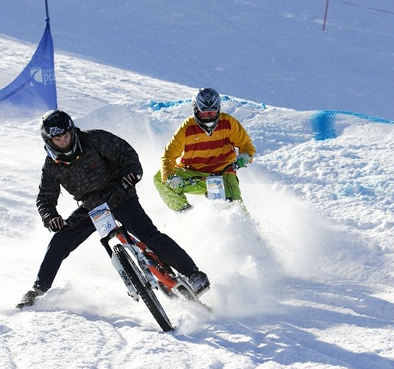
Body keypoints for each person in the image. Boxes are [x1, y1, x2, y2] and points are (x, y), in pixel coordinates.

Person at [17, 109, 210, 308]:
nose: (64, 141)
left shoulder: (94, 139)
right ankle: (37, 290)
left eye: (66, 135)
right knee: (59, 241)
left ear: (72, 131)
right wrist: (51, 217)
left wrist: (132, 174)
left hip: (120, 195)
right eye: (58, 139)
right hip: (92, 207)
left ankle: (193, 274)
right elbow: (45, 198)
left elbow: (126, 153)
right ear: (49, 140)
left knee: (148, 234)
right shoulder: (51, 166)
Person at [154, 88, 255, 212]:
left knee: (236, 209)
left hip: (224, 174)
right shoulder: (187, 127)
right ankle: (186, 213)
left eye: (212, 113)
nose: (208, 117)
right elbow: (168, 155)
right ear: (196, 110)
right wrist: (170, 177)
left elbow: (246, 145)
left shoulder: (228, 123)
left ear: (218, 109)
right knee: (160, 178)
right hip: (195, 175)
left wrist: (245, 156)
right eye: (204, 113)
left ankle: (245, 229)